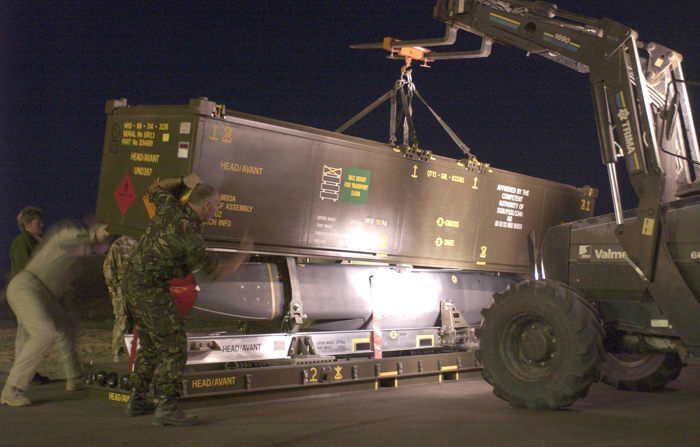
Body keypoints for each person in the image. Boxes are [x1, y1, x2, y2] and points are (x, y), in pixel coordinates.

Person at [124, 174, 251, 426]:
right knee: (174, 344)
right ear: (206, 206)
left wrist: (183, 180)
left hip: (132, 283)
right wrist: (242, 254)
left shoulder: (169, 207)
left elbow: (157, 189)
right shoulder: (189, 234)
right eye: (216, 207)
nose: (216, 212)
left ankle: (138, 399)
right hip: (150, 288)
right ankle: (167, 407)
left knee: (150, 343)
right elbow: (214, 272)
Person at [1, 219, 110, 406]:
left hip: (47, 296)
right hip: (27, 287)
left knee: (66, 326)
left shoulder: (80, 259)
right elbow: (72, 240)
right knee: (44, 333)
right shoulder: (67, 234)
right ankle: (12, 390)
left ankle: (75, 378)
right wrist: (93, 235)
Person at [8, 206, 51, 385]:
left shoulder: (32, 241)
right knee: (31, 335)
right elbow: (26, 269)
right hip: (27, 294)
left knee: (26, 335)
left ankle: (26, 374)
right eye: (36, 222)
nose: (41, 224)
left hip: (30, 293)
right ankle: (22, 377)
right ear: (26, 225)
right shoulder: (24, 242)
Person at [102, 235, 137, 362]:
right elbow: (108, 267)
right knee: (122, 319)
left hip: (137, 288)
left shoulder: (141, 242)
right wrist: (115, 287)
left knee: (137, 321)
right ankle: (117, 353)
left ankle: (133, 352)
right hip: (122, 288)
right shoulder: (119, 245)